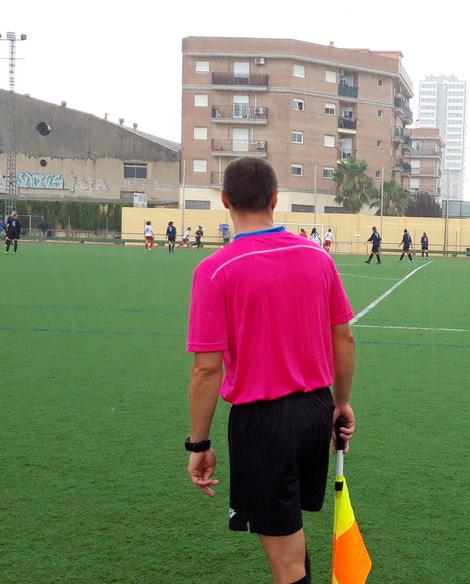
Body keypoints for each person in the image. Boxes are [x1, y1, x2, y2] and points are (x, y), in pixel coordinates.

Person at [185, 157, 357, 584]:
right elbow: (345, 339)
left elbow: (207, 371)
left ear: (224, 201)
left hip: (263, 424)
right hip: (316, 413)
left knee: (286, 560)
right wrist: (341, 404)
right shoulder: (316, 256)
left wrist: (198, 443)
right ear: (276, 199)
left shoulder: (215, 270)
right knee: (290, 537)